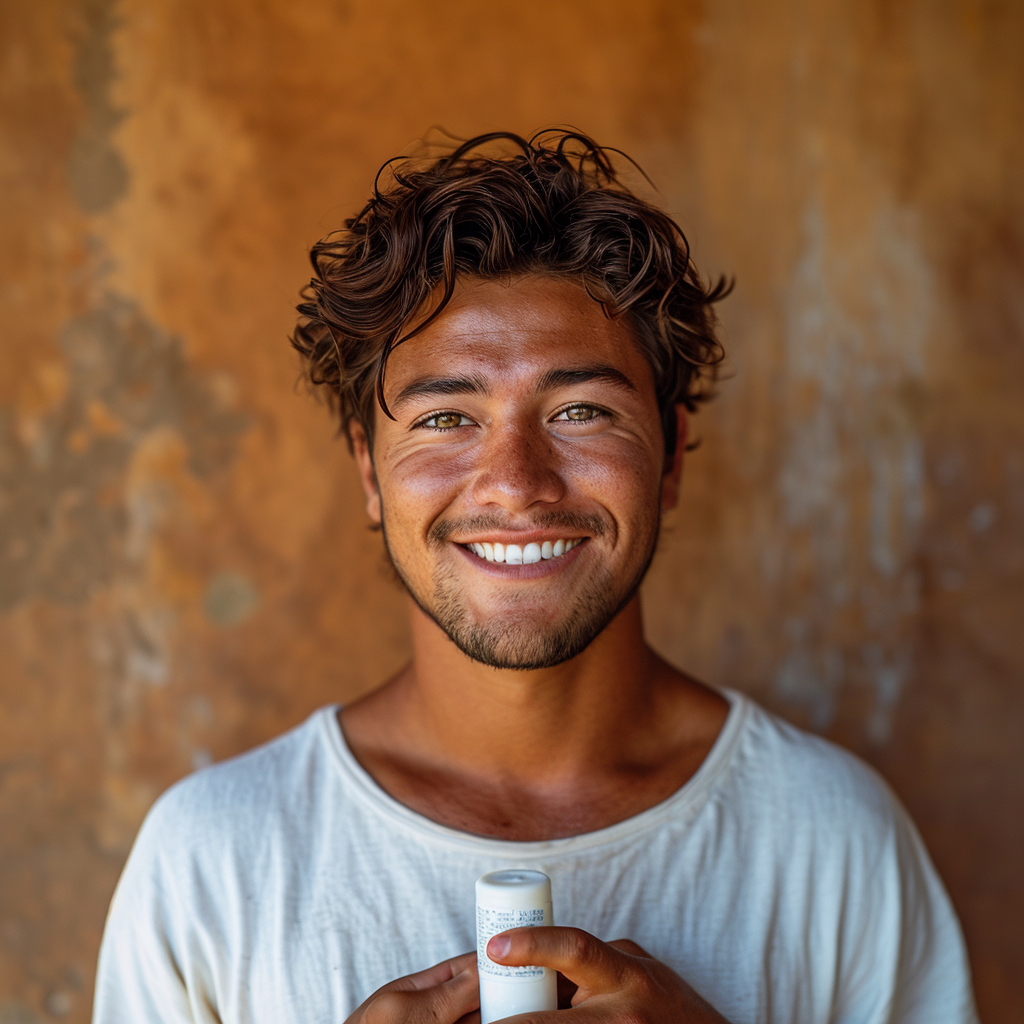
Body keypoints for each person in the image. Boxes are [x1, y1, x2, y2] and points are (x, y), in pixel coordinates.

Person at [93, 131, 978, 1024]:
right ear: (369, 472)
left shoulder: (832, 836)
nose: (517, 482)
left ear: (669, 461)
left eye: (582, 410)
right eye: (446, 418)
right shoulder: (212, 858)